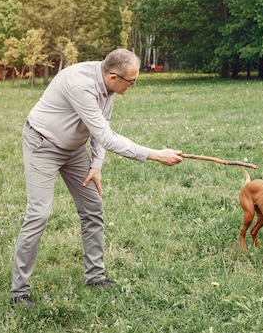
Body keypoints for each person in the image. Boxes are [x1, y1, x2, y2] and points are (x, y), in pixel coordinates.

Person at [11, 48, 183, 308]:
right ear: (114, 77)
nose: (134, 85)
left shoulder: (108, 84)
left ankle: (95, 276)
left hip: (74, 150)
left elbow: (102, 125)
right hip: (42, 145)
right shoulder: (80, 85)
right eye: (132, 81)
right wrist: (155, 154)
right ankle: (19, 292)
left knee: (93, 208)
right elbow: (106, 136)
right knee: (39, 214)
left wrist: (96, 164)